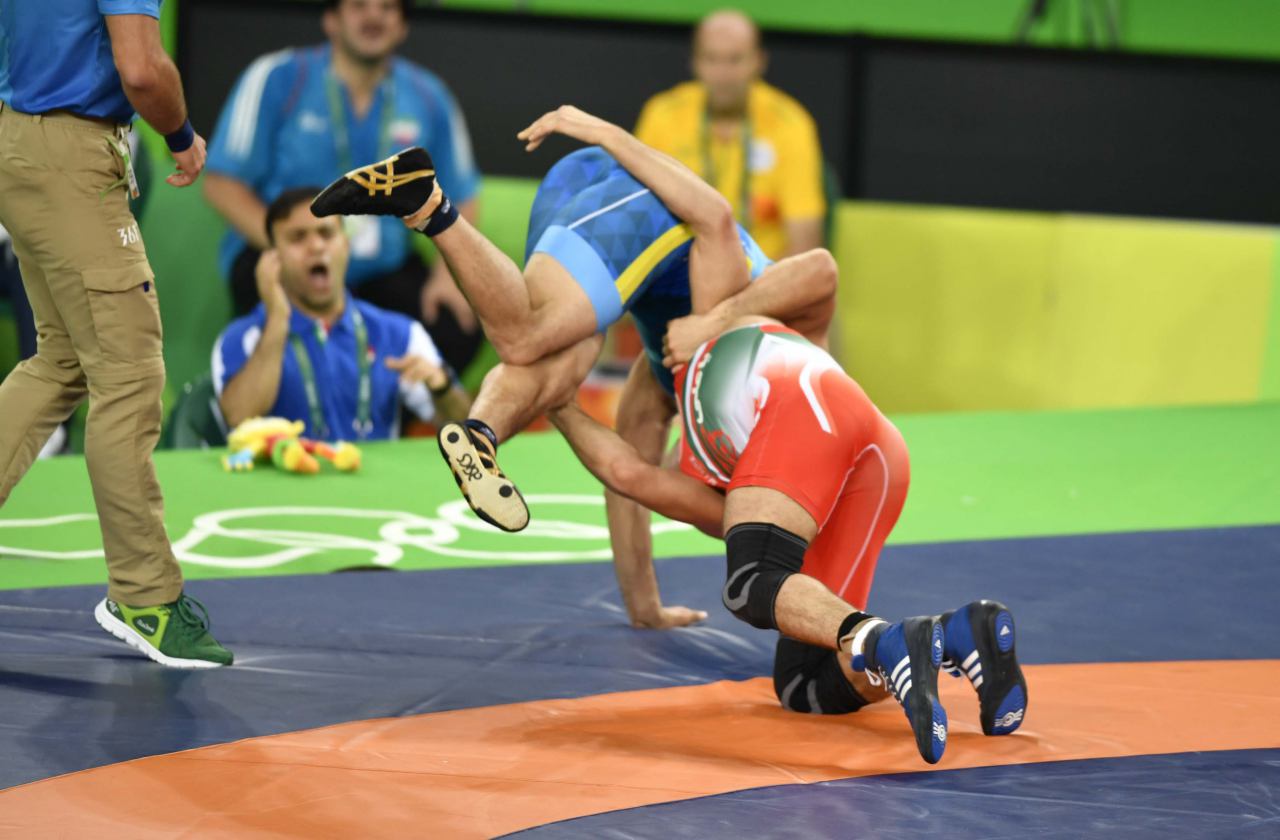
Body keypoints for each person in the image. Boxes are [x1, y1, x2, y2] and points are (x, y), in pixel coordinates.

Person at [311, 106, 837, 532]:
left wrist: (644, 609)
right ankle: (427, 203)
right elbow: (803, 262)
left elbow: (628, 478)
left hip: (616, 237)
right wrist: (607, 133)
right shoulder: (796, 400)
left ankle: (480, 435)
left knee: (558, 366)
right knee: (526, 339)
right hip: (654, 206)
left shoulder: (720, 501)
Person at [548, 316, 1029, 764]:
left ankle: (881, 638)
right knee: (803, 681)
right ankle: (959, 632)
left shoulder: (707, 459)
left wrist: (557, 405)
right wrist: (721, 316)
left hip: (803, 415)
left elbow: (626, 473)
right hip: (879, 449)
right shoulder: (740, 343)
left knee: (752, 580)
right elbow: (817, 277)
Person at [0, 0, 232, 667]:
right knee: (127, 375)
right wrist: (181, 134)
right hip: (71, 156)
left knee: (62, 360)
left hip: (20, 140)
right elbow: (141, 69)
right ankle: (144, 597)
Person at [203, 0, 483, 375]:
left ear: (402, 26)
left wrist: (446, 276)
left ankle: (386, 407)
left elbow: (463, 196)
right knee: (276, 320)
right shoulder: (277, 77)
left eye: (387, 8)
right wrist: (290, 245)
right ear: (331, 19)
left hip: (381, 268)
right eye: (359, 5)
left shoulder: (430, 97)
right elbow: (222, 183)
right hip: (286, 256)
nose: (374, 16)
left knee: (455, 327)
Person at [214, 189, 470, 439]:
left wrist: (442, 387)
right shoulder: (245, 337)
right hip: (287, 467)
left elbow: (466, 428)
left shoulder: (398, 333)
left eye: (326, 234)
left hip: (371, 470)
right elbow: (238, 418)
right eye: (298, 237)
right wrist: (277, 321)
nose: (316, 246)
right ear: (273, 257)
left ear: (346, 246)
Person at [635, 9, 826, 261]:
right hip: (678, 271)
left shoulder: (790, 124)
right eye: (711, 59)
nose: (722, 74)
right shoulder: (662, 115)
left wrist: (755, 284)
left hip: (764, 275)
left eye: (735, 60)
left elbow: (805, 243)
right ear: (695, 62)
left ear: (759, 61)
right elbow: (637, 218)